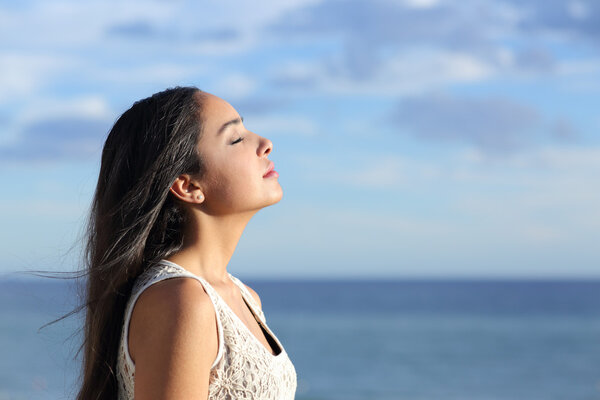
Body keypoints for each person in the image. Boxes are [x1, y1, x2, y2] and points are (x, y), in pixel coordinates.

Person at [75, 87, 297, 399]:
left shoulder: (244, 298)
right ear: (188, 185)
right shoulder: (181, 301)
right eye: (236, 139)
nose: (265, 144)